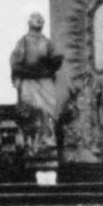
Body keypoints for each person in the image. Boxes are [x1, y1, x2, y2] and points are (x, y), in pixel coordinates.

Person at [10, 11, 63, 152]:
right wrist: (22, 73)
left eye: (41, 19)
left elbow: (57, 58)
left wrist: (51, 63)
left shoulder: (47, 42)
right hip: (29, 80)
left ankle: (47, 138)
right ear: (29, 23)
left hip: (44, 80)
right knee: (31, 109)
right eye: (36, 19)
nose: (39, 21)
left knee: (48, 109)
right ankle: (32, 141)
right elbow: (15, 61)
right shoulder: (23, 41)